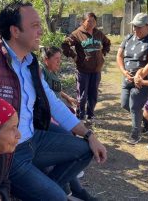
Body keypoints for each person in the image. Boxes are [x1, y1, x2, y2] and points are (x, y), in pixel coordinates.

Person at [0, 0, 107, 201]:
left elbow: (53, 103)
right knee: (58, 198)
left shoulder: (31, 64)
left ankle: (41, 191)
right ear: (15, 31)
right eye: (35, 26)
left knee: (84, 150)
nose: (40, 31)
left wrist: (89, 135)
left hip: (34, 139)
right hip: (9, 153)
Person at [40, 46, 98, 201]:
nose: (59, 62)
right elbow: (47, 99)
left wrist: (67, 99)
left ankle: (74, 190)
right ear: (46, 60)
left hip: (55, 112)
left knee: (72, 142)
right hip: (48, 117)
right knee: (67, 144)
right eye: (56, 59)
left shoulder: (51, 72)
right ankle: (69, 191)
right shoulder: (41, 72)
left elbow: (54, 93)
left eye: (60, 59)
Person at [61, 13, 111, 121]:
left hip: (96, 70)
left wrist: (103, 52)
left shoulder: (98, 33)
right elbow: (64, 45)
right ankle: (80, 115)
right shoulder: (77, 34)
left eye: (93, 21)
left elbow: (107, 43)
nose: (91, 23)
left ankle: (90, 114)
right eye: (89, 21)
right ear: (83, 21)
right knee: (82, 95)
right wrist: (74, 56)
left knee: (93, 94)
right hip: (83, 70)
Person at [116, 12, 148, 145]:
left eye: (139, 27)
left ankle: (135, 134)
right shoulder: (128, 38)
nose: (135, 29)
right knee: (124, 104)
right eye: (134, 26)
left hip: (142, 81)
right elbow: (119, 56)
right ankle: (144, 120)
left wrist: (140, 76)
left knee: (134, 106)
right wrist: (123, 71)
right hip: (127, 78)